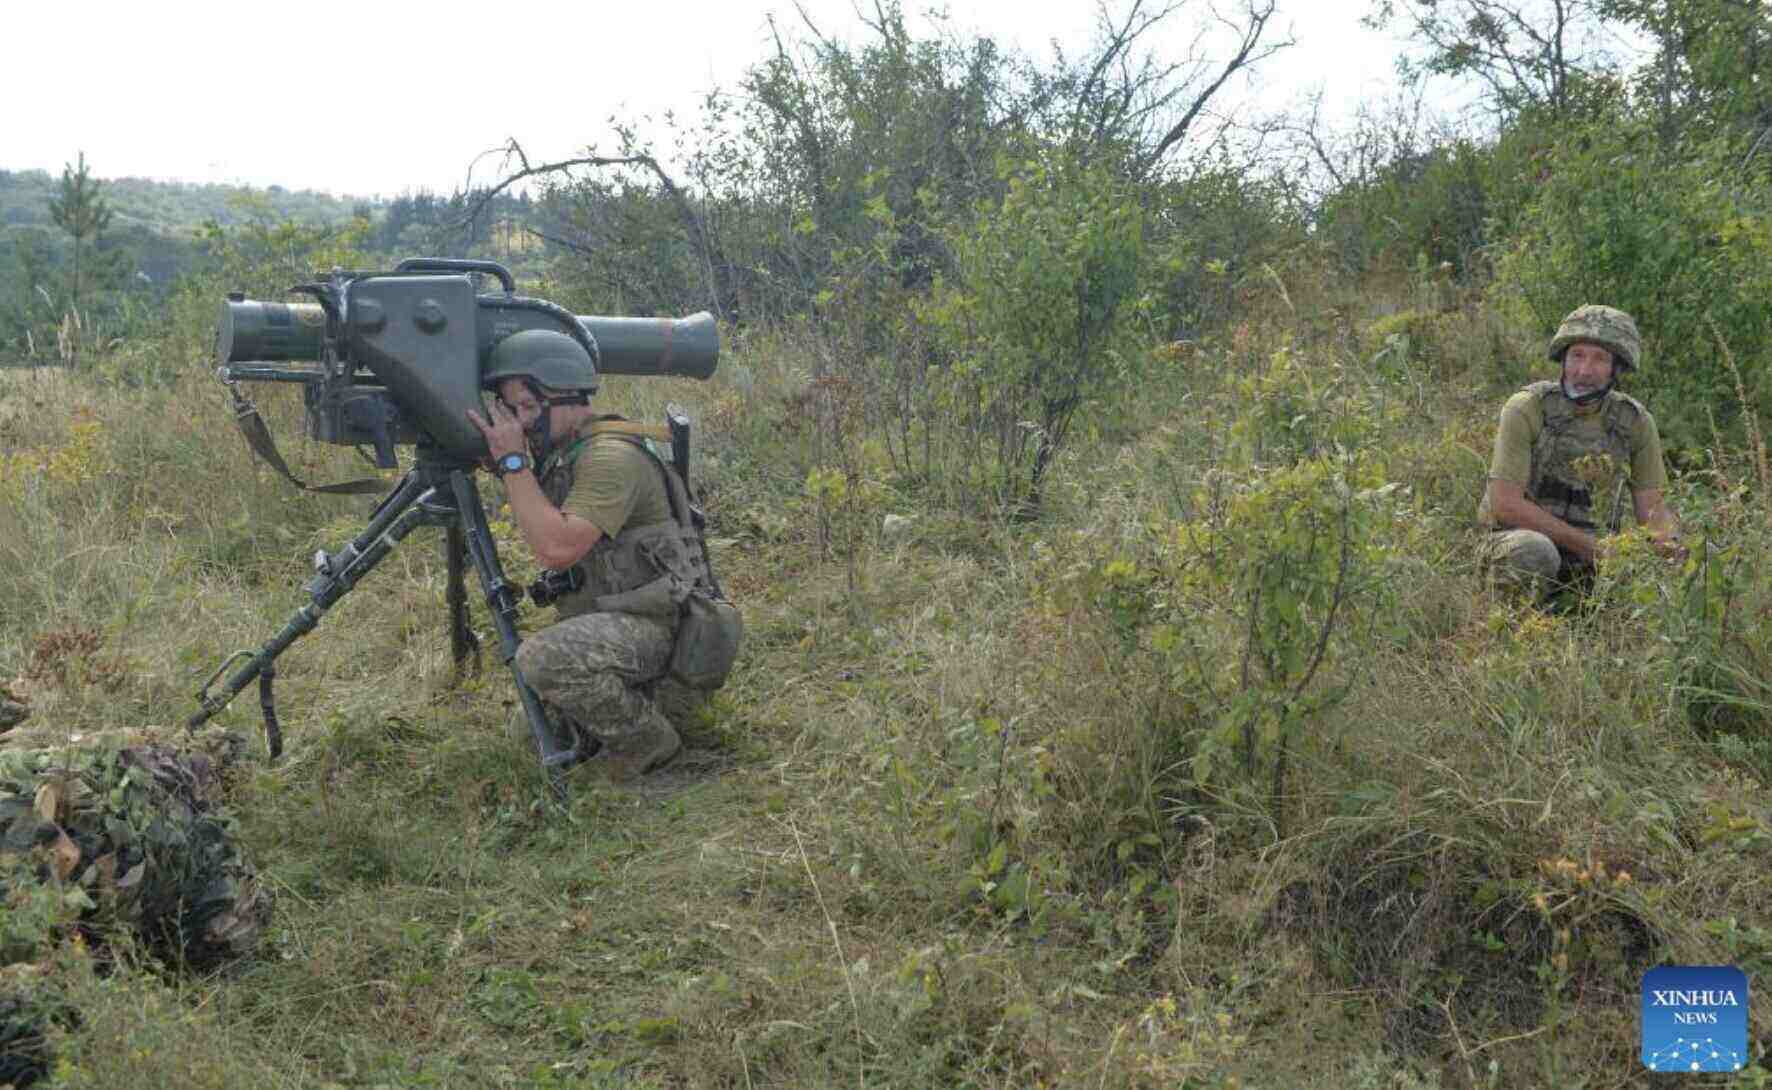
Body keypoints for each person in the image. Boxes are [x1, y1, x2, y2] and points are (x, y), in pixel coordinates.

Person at [467, 328, 709, 782]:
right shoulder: (567, 451)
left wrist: (514, 463)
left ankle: (649, 742)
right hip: (617, 614)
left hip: (659, 628)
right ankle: (622, 718)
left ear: (568, 398)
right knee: (530, 728)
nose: (520, 423)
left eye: (527, 409)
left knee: (543, 659)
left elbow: (555, 548)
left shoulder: (609, 458)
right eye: (512, 410)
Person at [1477, 304, 1684, 600]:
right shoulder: (1527, 407)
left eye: (1600, 359)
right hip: (1511, 544)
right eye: (1577, 355)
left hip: (1593, 559)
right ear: (1563, 359)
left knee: (1691, 562)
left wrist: (1672, 551)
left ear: (1617, 368)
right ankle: (1508, 629)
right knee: (1535, 550)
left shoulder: (1635, 422)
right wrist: (1592, 547)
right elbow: (1505, 504)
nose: (1584, 371)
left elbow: (1653, 511)